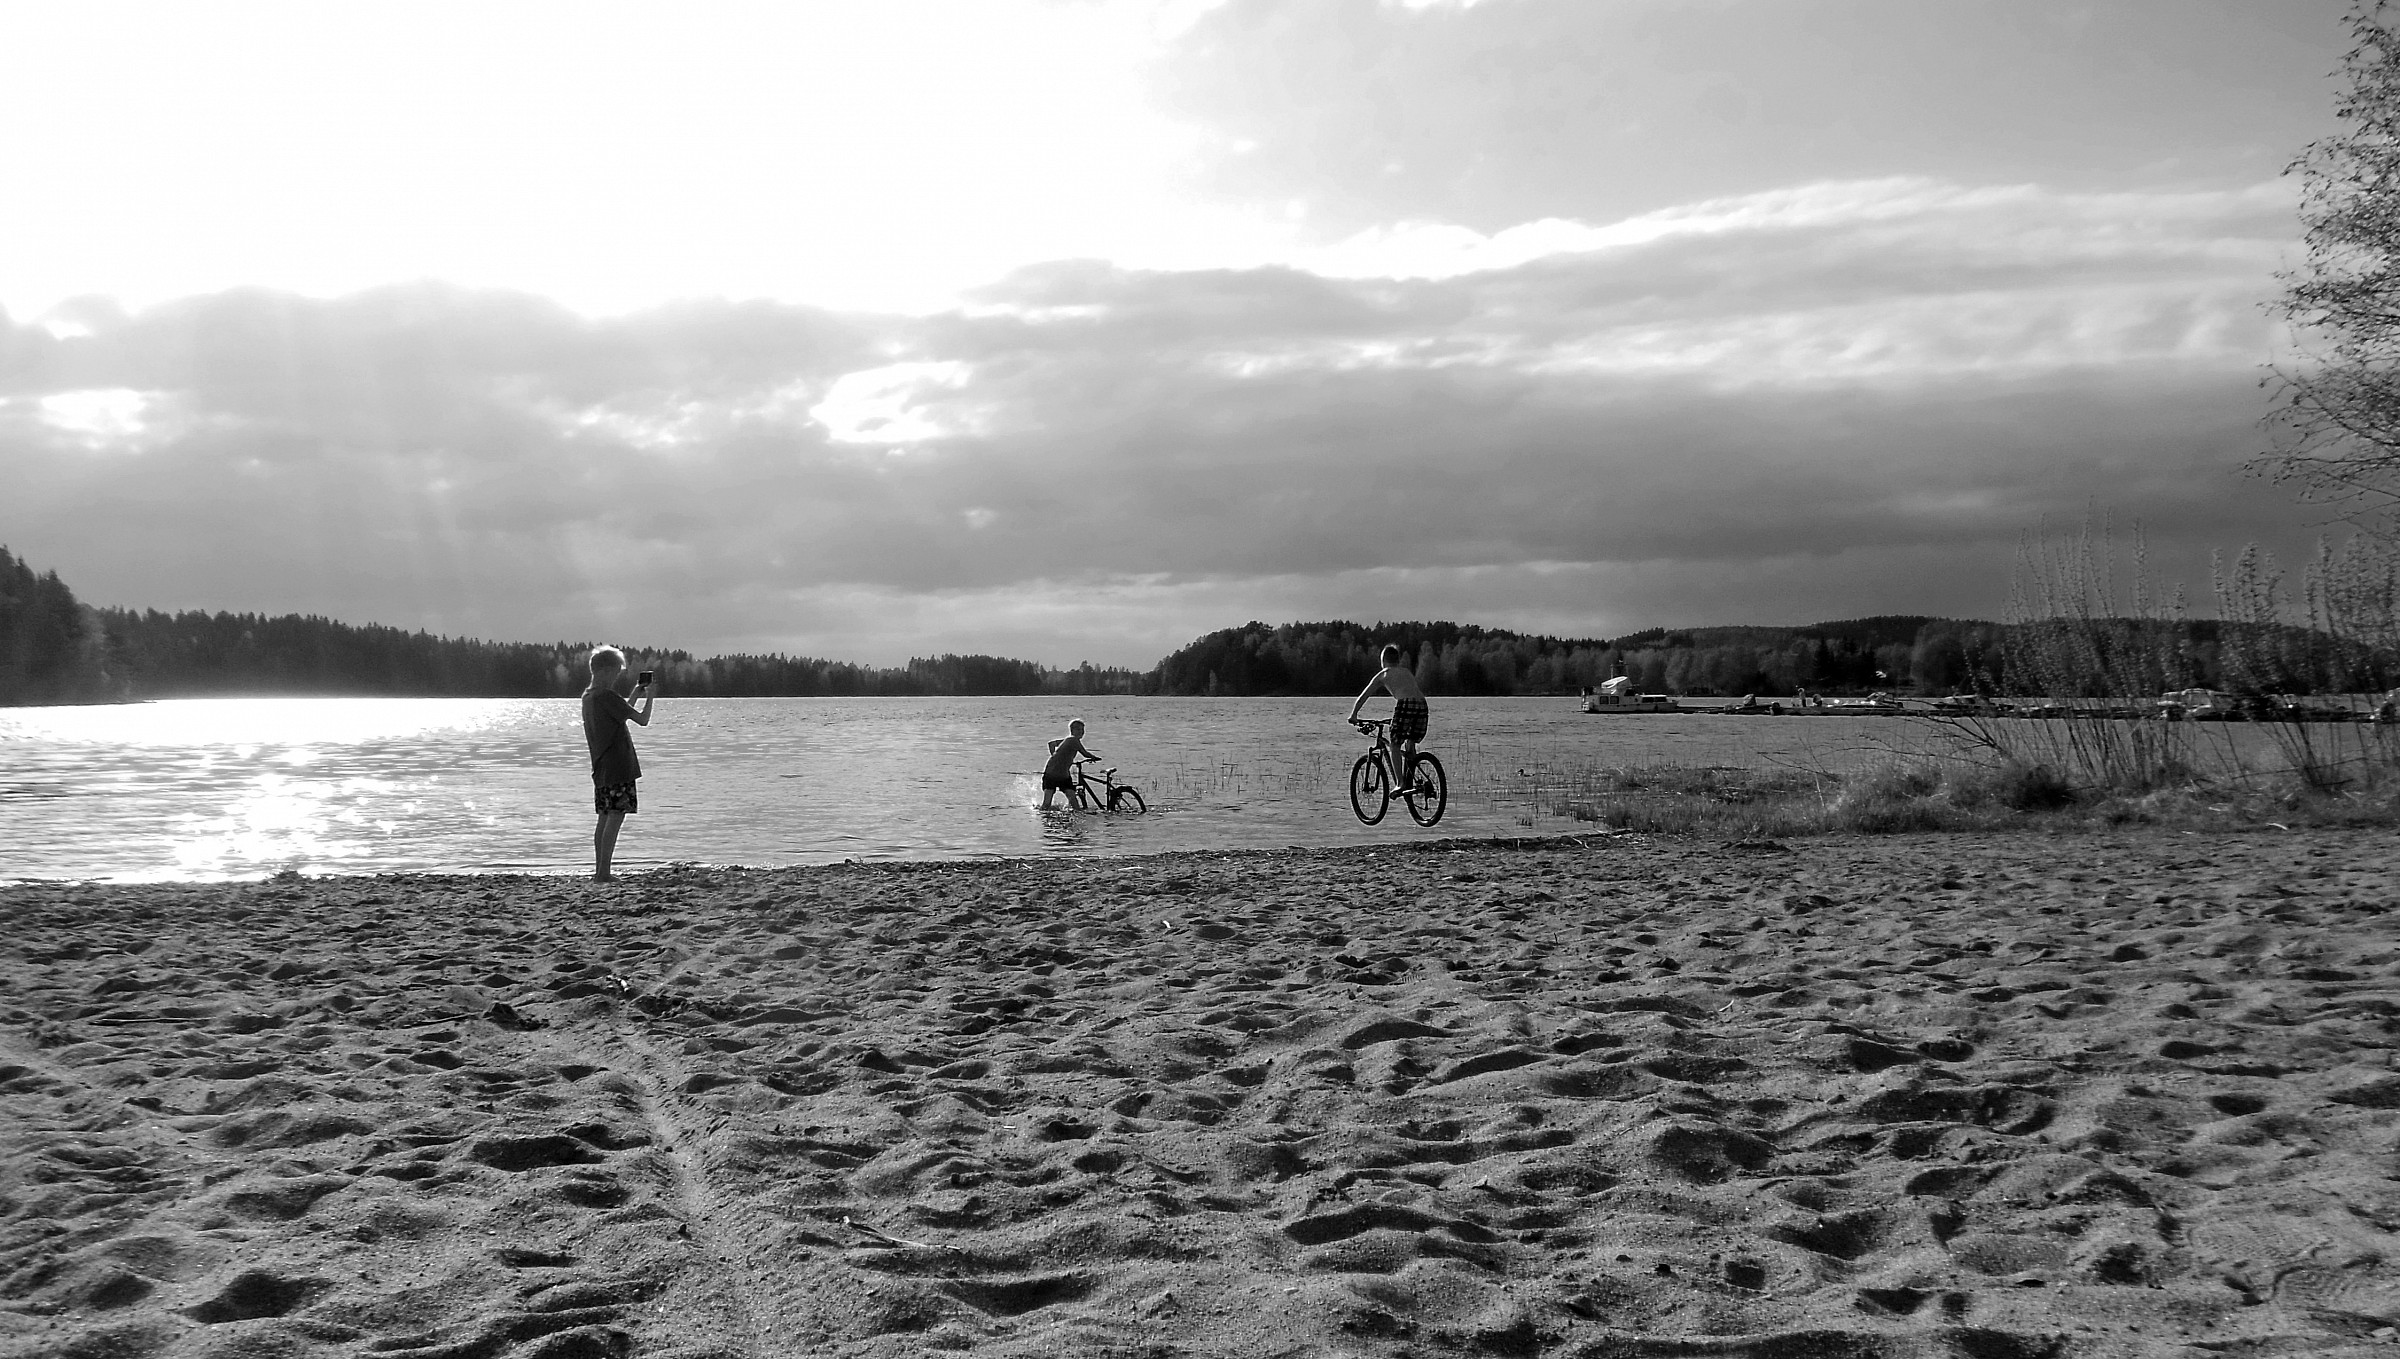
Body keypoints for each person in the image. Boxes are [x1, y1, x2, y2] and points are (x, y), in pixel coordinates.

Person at [581, 646, 654, 881]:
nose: (616, 676)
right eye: (615, 671)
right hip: (619, 765)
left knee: (605, 816)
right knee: (615, 816)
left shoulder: (589, 696)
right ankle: (604, 873)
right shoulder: (606, 696)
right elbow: (642, 719)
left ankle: (600, 871)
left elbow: (621, 715)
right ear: (604, 670)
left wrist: (635, 694)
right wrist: (651, 696)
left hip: (601, 766)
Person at [1347, 644, 1428, 780]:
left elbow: (1364, 696)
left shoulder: (1384, 674)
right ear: (1398, 660)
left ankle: (1400, 783)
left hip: (1406, 703)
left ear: (1383, 661)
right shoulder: (1406, 672)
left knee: (1395, 745)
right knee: (1410, 741)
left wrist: (1354, 714)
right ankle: (1414, 781)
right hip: (1422, 704)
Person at [1040, 719, 1098, 810]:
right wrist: (1094, 758)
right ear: (1072, 730)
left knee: (1070, 798)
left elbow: (1051, 744)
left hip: (1061, 773)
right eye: (1078, 729)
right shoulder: (1073, 740)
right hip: (1052, 774)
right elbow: (1085, 753)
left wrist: (1055, 757)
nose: (1081, 732)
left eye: (1082, 730)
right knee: (1068, 802)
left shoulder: (1067, 740)